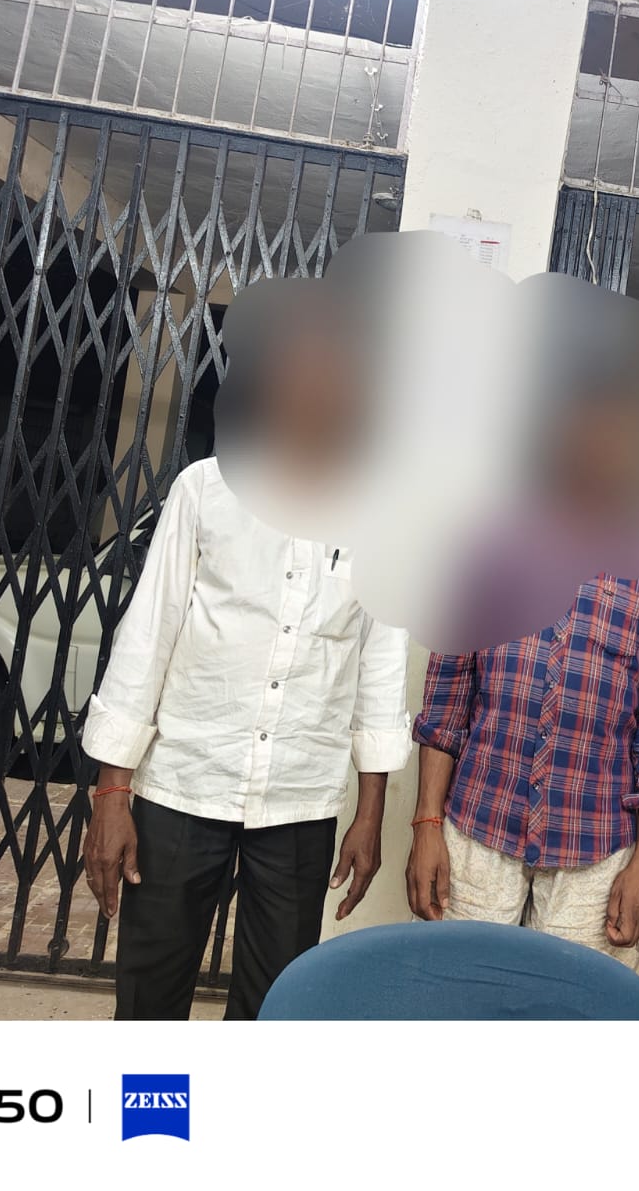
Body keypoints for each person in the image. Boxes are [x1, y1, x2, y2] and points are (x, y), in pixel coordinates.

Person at [81, 311, 409, 1021]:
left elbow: (380, 668)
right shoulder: (206, 490)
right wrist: (112, 793)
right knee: (150, 996)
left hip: (300, 797)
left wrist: (370, 812)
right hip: (185, 783)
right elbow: (147, 636)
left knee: (276, 1005)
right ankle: (153, 1103)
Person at [406, 563, 639, 971]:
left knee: (573, 1002)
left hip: (595, 852)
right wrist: (427, 824)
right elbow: (445, 702)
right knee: (457, 993)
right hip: (477, 833)